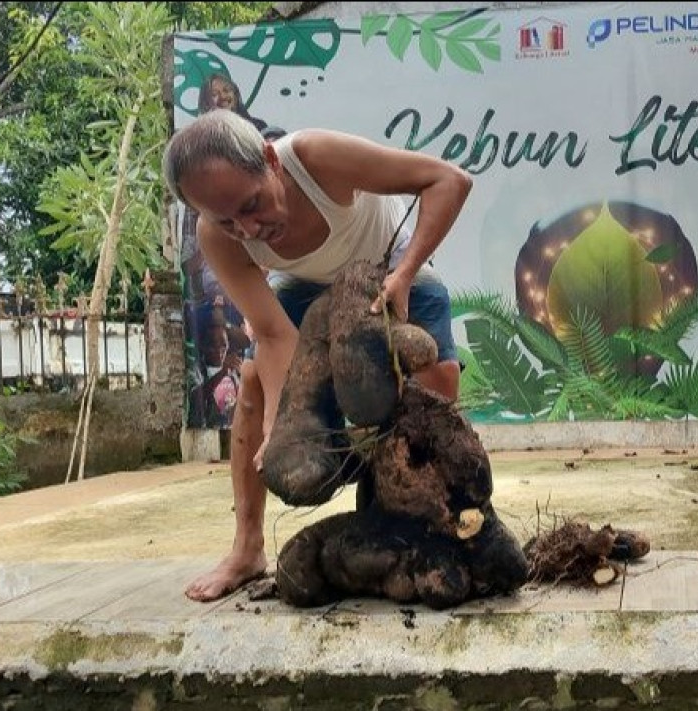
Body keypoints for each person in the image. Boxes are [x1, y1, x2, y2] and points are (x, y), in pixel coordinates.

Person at [162, 109, 473, 602]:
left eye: (253, 204)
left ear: (269, 160)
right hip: (306, 292)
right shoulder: (216, 234)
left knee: (434, 389)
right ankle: (246, 548)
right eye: (228, 220)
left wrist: (407, 271)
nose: (248, 228)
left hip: (387, 275)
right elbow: (272, 334)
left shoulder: (316, 159)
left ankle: (440, 526)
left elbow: (448, 180)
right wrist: (278, 429)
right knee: (252, 386)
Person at [198, 73, 286, 140]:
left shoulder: (258, 126)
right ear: (206, 102)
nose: (223, 96)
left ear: (235, 95)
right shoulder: (202, 137)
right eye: (214, 94)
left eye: (227, 90)